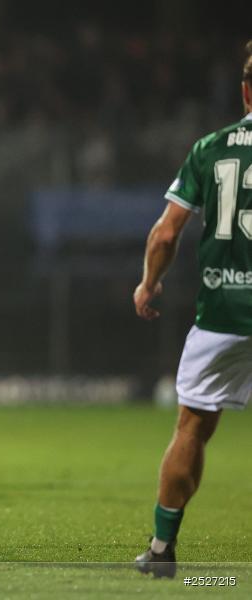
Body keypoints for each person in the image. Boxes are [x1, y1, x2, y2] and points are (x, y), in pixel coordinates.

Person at [133, 41, 252, 578]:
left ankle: (162, 550)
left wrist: (148, 284)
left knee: (192, 427)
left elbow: (165, 233)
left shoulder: (210, 148)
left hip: (222, 315)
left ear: (245, 92)